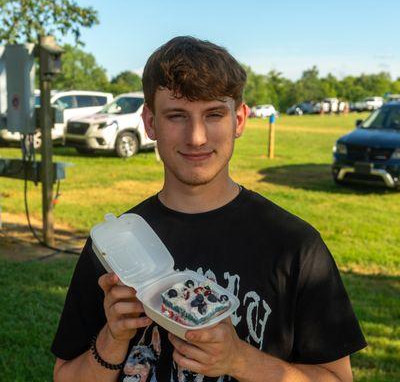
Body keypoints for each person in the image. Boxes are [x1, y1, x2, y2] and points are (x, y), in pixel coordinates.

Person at [52, 36, 367, 382]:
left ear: (240, 120)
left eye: (214, 114)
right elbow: (65, 375)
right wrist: (113, 340)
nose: (197, 136)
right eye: (177, 116)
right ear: (150, 122)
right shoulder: (115, 249)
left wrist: (240, 361)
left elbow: (338, 378)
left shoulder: (295, 246)